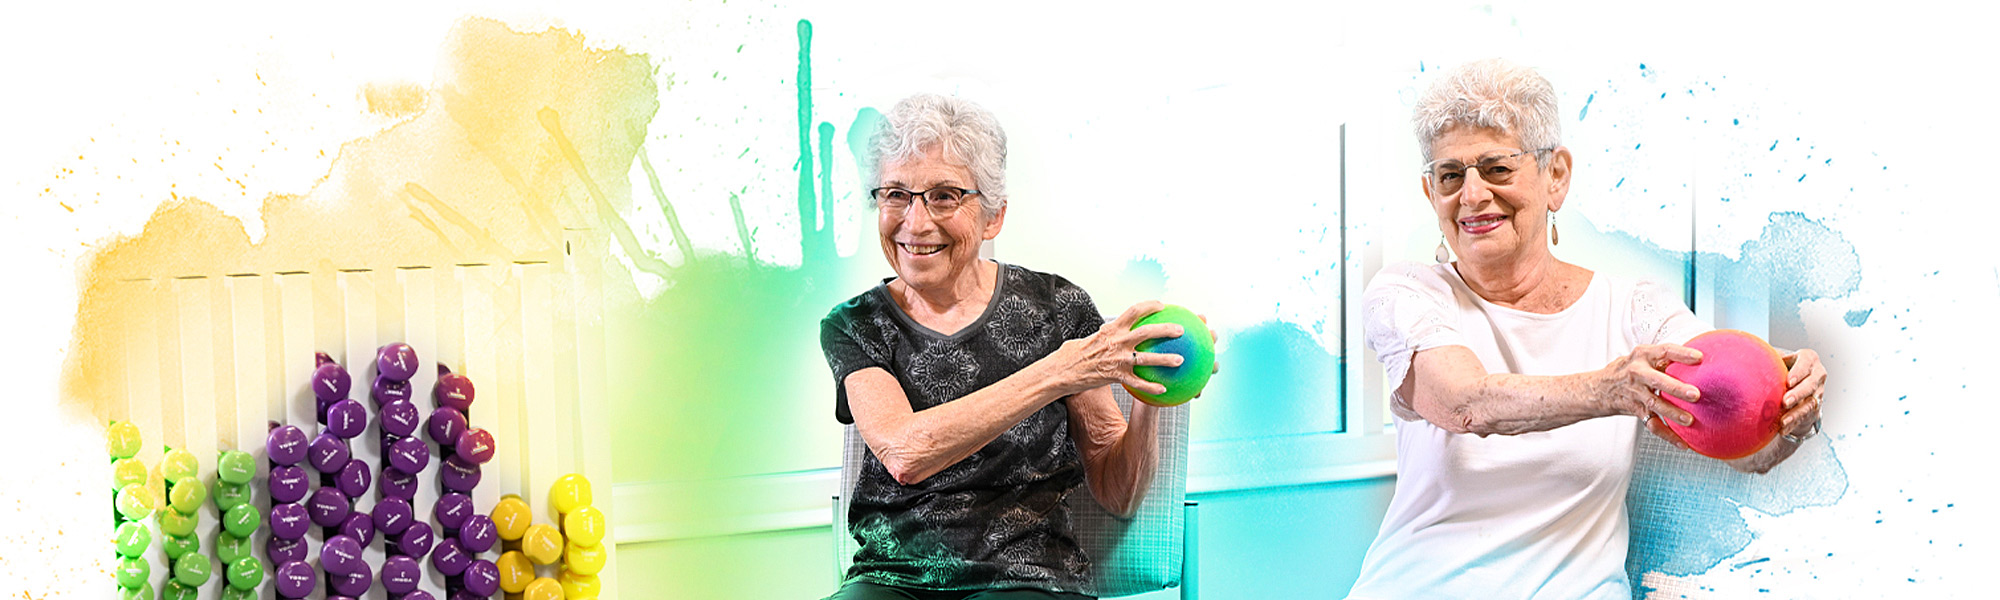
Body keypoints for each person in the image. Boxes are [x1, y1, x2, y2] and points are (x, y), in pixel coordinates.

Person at [1348, 59, 1829, 599]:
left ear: (1556, 176)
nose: (1472, 194)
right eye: (1450, 176)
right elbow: (1463, 402)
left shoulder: (1634, 309)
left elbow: (1746, 443)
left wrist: (1787, 403)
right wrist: (1610, 389)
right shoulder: (1407, 293)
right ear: (1431, 193)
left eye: (1497, 169)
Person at [820, 93, 1212, 600]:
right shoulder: (856, 324)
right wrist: (1058, 372)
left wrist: (1149, 397)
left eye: (943, 195)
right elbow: (904, 453)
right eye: (895, 194)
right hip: (892, 580)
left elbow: (1119, 494)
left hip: (1029, 578)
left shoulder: (1058, 309)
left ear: (993, 216)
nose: (915, 222)